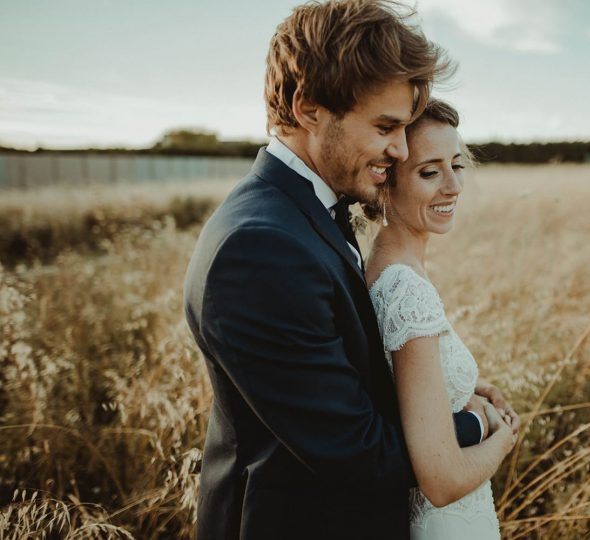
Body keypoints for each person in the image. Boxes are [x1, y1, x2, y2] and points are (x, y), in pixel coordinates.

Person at [182, 1, 517, 538]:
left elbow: (344, 377)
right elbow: (356, 452)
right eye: (386, 125)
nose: (400, 148)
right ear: (309, 107)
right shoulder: (259, 248)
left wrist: (447, 392)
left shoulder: (305, 213)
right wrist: (476, 423)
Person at [364, 99, 518, 539]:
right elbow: (441, 481)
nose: (453, 186)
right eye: (430, 172)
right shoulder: (403, 286)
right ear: (385, 181)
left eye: (457, 164)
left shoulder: (391, 267)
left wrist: (464, 390)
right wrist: (501, 435)